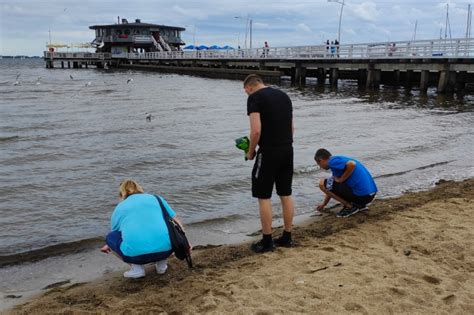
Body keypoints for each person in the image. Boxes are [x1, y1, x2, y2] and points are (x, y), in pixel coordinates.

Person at [243, 74, 295, 253]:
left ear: (248, 88)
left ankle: (267, 241)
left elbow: (256, 131)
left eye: (246, 92)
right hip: (287, 149)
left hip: (269, 152)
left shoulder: (254, 98)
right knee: (285, 194)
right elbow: (292, 127)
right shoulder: (284, 96)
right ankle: (287, 237)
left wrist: (250, 152)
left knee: (263, 196)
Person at [101, 180, 186, 278]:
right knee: (162, 231)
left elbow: (116, 232)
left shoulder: (120, 207)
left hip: (137, 256)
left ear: (121, 193)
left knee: (110, 237)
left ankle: (137, 269)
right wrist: (185, 242)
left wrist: (109, 245)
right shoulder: (157, 199)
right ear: (140, 188)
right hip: (166, 250)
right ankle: (162, 266)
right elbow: (176, 221)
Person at [314, 149, 377, 218]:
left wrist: (342, 179)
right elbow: (330, 188)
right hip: (369, 196)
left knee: (321, 183)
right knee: (330, 182)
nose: (320, 167)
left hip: (362, 197)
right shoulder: (338, 161)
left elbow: (352, 164)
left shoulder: (332, 161)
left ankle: (350, 207)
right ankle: (358, 205)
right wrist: (324, 204)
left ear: (321, 160)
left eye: (319, 164)